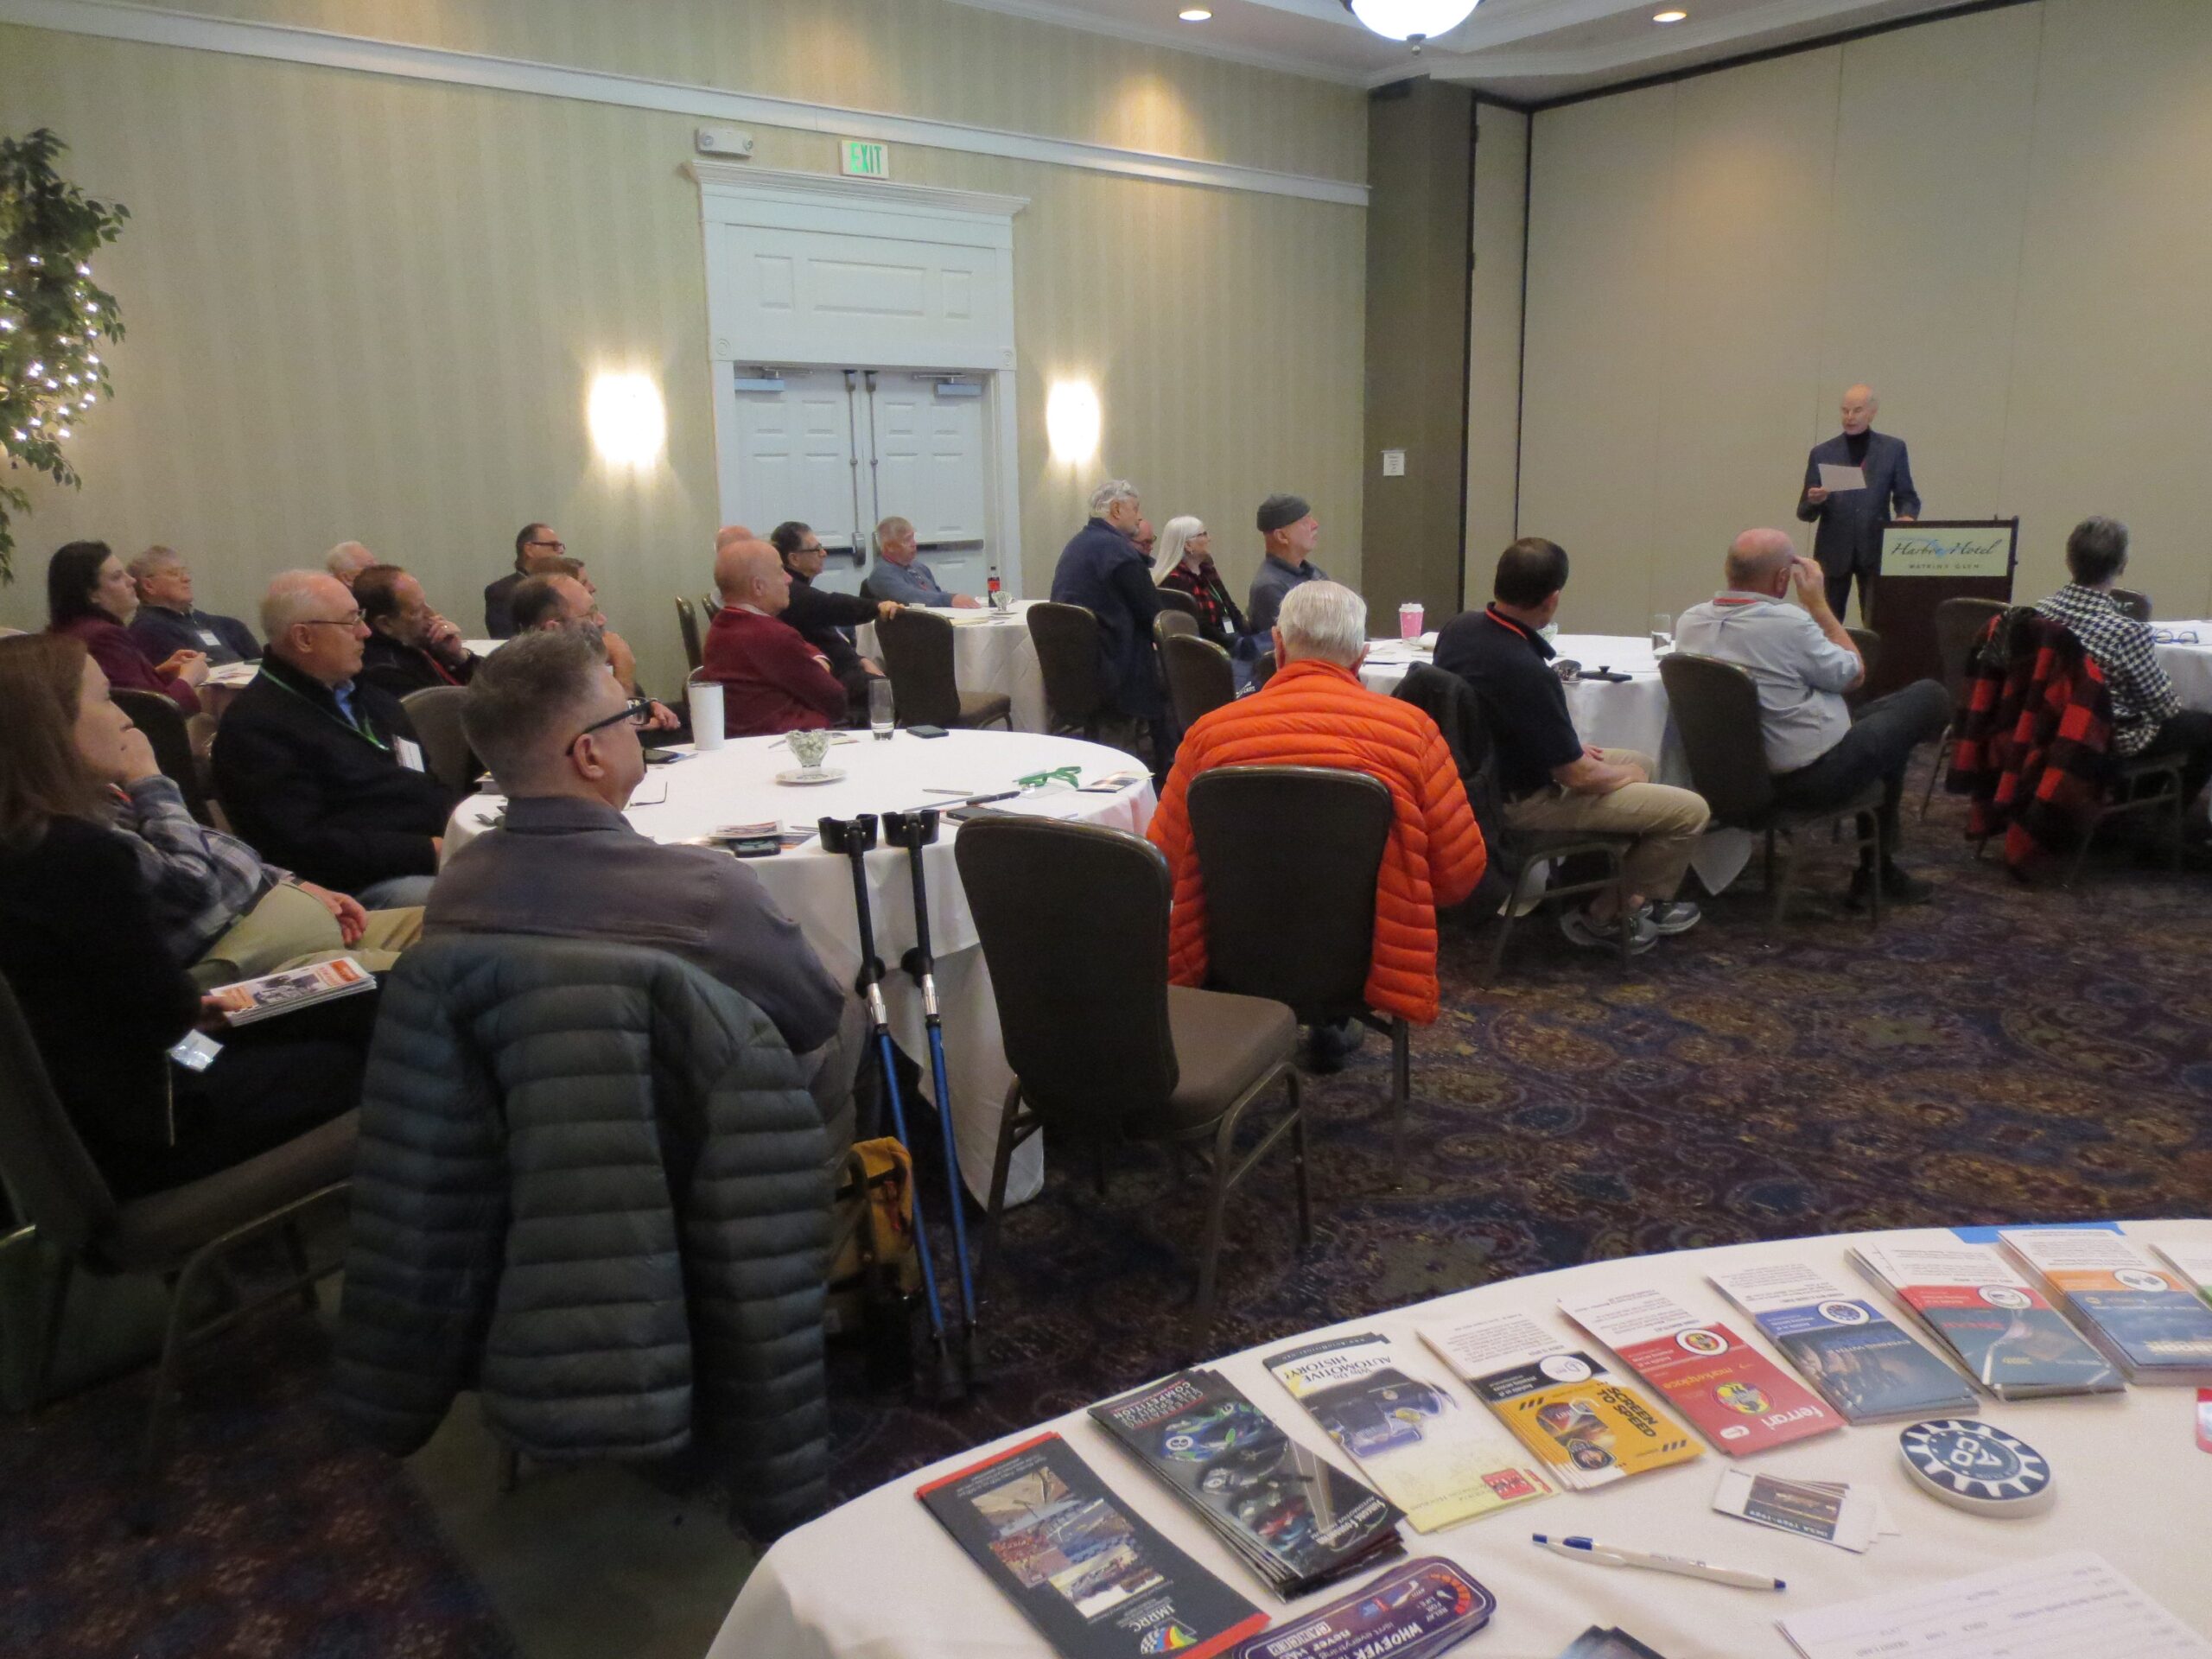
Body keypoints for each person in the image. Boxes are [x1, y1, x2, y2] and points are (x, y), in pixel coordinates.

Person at [426, 630, 859, 1151]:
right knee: (852, 1008)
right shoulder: (708, 892)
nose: (639, 727)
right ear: (590, 756)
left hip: (523, 1146)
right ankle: (852, 1178)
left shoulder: (454, 888)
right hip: (697, 1156)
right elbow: (813, 1018)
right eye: (629, 715)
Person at [0, 633, 372, 1198]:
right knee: (372, 1037)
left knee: (351, 1002)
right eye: (105, 699)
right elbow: (171, 1022)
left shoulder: (28, 841)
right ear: (51, 727)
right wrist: (236, 1017)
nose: (125, 717)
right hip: (163, 1117)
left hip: (102, 1116)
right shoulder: (74, 853)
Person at [1148, 581, 1487, 1047]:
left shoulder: (1210, 736)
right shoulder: (1413, 734)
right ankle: (1333, 1027)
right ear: (1361, 658)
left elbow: (1163, 861)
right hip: (1371, 958)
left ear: (1279, 646)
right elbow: (1459, 875)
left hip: (1231, 953)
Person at [1435, 540, 1710, 954]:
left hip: (1474, 783)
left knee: (1639, 761)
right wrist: (1623, 776)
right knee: (1689, 812)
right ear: (1552, 599)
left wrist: (1581, 754)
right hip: (1518, 802)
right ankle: (1606, 914)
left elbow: (1501, 719)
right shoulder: (1528, 671)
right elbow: (1576, 776)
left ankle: (1586, 888)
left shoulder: (1460, 629)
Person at [1675, 528, 1949, 906]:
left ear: (1728, 570)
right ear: (1782, 578)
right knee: (1929, 697)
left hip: (1731, 780)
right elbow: (1854, 673)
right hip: (1806, 780)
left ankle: (1878, 870)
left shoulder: (1690, 621)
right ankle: (1877, 872)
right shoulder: (1789, 623)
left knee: (1890, 738)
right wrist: (1818, 604)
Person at [211, 571, 460, 907]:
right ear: (304, 638)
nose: (365, 631)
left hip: (432, 853)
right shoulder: (255, 727)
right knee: (488, 896)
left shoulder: (372, 699)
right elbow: (305, 847)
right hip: (355, 890)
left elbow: (425, 781)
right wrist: (427, 850)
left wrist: (463, 826)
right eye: (351, 621)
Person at [2033, 516, 2212, 814]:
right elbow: (2163, 708)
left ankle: (2129, 807)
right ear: (2122, 565)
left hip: (2048, 727)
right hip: (2104, 740)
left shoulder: (2039, 613)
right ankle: (2158, 819)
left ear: (2069, 560)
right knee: (2204, 726)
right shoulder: (2125, 631)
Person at [1051, 478, 1166, 756]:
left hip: (1074, 670)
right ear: (1116, 510)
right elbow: (1154, 615)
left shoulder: (1076, 545)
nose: (1139, 516)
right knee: (1177, 672)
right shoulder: (1119, 552)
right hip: (1115, 667)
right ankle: (1168, 762)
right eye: (1135, 508)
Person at [699, 531, 849, 736]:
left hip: (746, 741)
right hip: (787, 744)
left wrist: (815, 659)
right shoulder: (770, 635)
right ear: (758, 586)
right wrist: (819, 664)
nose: (789, 579)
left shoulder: (722, 626)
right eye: (780, 571)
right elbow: (835, 701)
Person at [1796, 384, 1920, 621]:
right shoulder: (1822, 453)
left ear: (1872, 413)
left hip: (1875, 549)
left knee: (1878, 621)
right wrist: (1814, 501)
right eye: (1845, 411)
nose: (1849, 417)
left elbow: (1907, 496)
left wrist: (1906, 516)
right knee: (1826, 624)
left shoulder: (1893, 450)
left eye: (1857, 410)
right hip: (1833, 552)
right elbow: (1804, 512)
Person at [46, 540, 206, 715]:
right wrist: (189, 678)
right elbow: (153, 714)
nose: (132, 580)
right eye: (117, 577)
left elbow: (121, 691)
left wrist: (159, 673)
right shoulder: (104, 636)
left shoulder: (74, 629)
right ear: (92, 594)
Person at [509, 570, 680, 729]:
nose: (602, 620)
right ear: (554, 628)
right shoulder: (534, 687)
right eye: (590, 614)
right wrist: (624, 674)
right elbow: (607, 733)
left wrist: (646, 706)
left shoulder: (570, 662)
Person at [771, 519, 899, 713]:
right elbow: (832, 605)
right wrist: (877, 607)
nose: (824, 553)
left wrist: (859, 659)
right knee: (909, 693)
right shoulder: (792, 593)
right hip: (835, 682)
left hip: (845, 671)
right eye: (816, 549)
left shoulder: (798, 591)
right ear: (794, 559)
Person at [355, 563, 481, 698]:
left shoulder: (418, 642)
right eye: (416, 610)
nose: (431, 614)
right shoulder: (386, 673)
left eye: (425, 603)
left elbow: (493, 682)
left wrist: (459, 656)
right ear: (385, 623)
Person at [125, 545, 260, 665]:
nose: (186, 578)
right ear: (149, 585)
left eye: (185, 572)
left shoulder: (229, 626)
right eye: (174, 574)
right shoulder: (147, 631)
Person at [1155, 516, 1249, 651]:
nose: (1209, 539)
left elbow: (1228, 606)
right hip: (1207, 651)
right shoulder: (1174, 581)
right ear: (1188, 545)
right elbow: (1199, 626)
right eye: (1203, 534)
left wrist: (1246, 634)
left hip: (1229, 639)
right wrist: (1235, 641)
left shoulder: (1207, 570)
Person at [1247, 494, 1329, 637]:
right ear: (1282, 537)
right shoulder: (1270, 587)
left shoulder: (1316, 573)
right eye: (1305, 522)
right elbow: (1294, 642)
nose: (1315, 525)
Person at [863, 516, 978, 607]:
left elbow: (936, 594)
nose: (914, 544)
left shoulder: (919, 567)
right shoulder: (882, 574)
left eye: (913, 537)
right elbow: (912, 598)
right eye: (907, 540)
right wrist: (950, 599)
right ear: (890, 547)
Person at [485, 521, 564, 637]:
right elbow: (507, 640)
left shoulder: (560, 587)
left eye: (560, 547)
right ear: (529, 549)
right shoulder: (502, 592)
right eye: (554, 546)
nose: (560, 552)